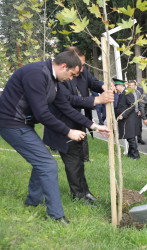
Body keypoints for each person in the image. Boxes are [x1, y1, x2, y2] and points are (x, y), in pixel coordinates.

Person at [0, 51, 109, 223]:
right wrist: (68, 131)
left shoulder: (54, 79)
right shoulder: (36, 74)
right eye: (72, 74)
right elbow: (42, 113)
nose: (72, 79)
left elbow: (65, 108)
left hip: (23, 123)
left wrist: (94, 126)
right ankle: (56, 216)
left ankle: (33, 202)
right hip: (11, 123)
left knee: (41, 160)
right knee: (47, 164)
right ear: (64, 66)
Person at [43, 47, 114, 205]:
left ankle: (85, 192)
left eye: (82, 66)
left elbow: (93, 82)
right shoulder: (60, 79)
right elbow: (68, 101)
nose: (81, 70)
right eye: (78, 67)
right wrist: (97, 100)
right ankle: (79, 196)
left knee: (80, 160)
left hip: (78, 121)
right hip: (63, 125)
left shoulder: (81, 69)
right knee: (73, 162)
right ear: (68, 64)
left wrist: (103, 86)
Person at [115, 79, 140, 160]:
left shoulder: (127, 93)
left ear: (120, 86)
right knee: (129, 137)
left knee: (131, 138)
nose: (115, 88)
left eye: (116, 86)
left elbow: (132, 106)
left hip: (129, 119)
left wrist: (123, 115)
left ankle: (136, 156)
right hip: (125, 119)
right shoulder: (121, 94)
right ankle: (130, 154)